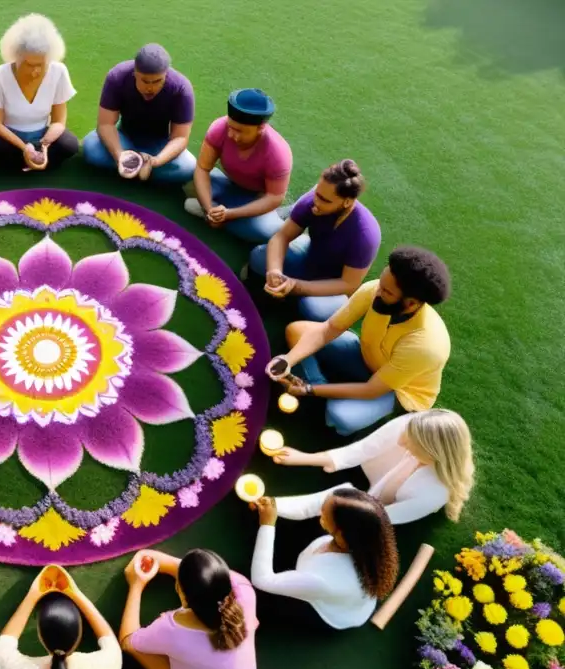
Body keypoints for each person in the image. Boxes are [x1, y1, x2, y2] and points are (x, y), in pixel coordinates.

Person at [267, 246, 452, 436]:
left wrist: (308, 390)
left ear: (411, 303)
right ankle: (316, 385)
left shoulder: (426, 346)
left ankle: (318, 394)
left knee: (340, 416)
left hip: (398, 390)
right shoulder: (375, 290)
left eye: (386, 291)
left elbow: (371, 390)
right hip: (368, 357)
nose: (377, 292)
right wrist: (288, 360)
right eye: (380, 284)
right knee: (296, 331)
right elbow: (330, 328)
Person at [118, 549, 258, 669]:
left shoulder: (171, 630)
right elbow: (209, 578)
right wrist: (166, 562)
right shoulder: (244, 590)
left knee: (137, 647)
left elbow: (127, 640)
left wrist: (136, 585)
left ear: (180, 591)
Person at [271, 410, 474, 524]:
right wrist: (304, 458)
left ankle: (274, 508)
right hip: (378, 473)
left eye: (411, 443)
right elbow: (362, 449)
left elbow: (381, 517)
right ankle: (274, 507)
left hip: (384, 510)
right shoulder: (411, 425)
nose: (402, 442)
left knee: (343, 497)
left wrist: (339, 507)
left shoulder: (433, 493)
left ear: (432, 453)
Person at [248, 160, 381, 321]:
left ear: (347, 202)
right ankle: (284, 298)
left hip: (335, 285)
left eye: (325, 200)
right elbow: (281, 237)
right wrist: (274, 270)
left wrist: (297, 286)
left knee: (313, 308)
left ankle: (294, 312)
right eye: (317, 193)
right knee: (259, 257)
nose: (316, 202)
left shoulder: (365, 234)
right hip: (311, 257)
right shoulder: (312, 202)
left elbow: (348, 284)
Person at [250, 488, 398, 630]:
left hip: (327, 612)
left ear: (342, 535)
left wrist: (267, 525)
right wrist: (274, 504)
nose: (320, 512)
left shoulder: (324, 580)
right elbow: (314, 502)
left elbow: (262, 580)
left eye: (324, 515)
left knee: (264, 601)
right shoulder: (365, 541)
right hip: (336, 589)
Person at [184, 88, 292, 243]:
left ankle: (234, 215)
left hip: (257, 197)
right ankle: (216, 212)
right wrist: (209, 209)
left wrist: (229, 214)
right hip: (225, 183)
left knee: (267, 232)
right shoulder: (219, 128)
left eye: (240, 131)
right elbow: (202, 169)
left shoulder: (278, 153)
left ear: (260, 128)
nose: (231, 135)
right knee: (189, 179)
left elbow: (274, 197)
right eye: (230, 126)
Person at [82, 44, 196, 184]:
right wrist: (120, 156)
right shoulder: (117, 76)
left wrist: (156, 161)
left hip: (159, 145)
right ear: (135, 73)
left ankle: (141, 168)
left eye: (157, 81)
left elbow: (180, 138)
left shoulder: (181, 88)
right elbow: (105, 124)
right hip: (124, 138)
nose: (150, 87)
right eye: (145, 81)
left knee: (188, 167)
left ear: (166, 74)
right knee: (91, 148)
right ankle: (140, 170)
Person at [0, 14, 78, 173]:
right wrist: (25, 148)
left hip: (42, 135)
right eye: (29, 65)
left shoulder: (59, 71)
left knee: (69, 145)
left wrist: (45, 144)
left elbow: (59, 121)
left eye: (41, 65)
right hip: (9, 138)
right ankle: (28, 163)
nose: (35, 72)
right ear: (15, 57)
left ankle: (26, 164)